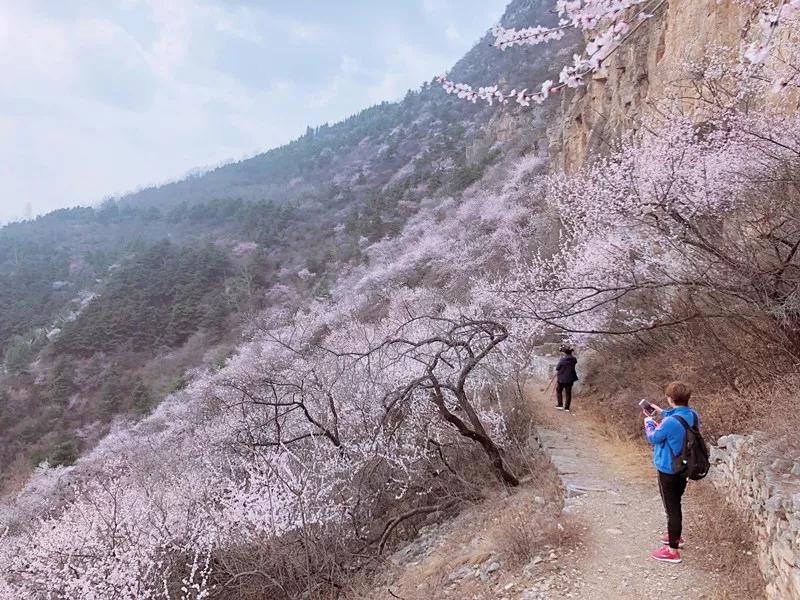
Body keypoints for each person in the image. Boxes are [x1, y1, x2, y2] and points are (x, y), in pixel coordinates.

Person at [643, 381, 700, 564]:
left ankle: (673, 550)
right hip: (684, 466)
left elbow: (653, 438)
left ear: (671, 398)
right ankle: (674, 535)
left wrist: (649, 423)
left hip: (668, 468)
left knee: (672, 508)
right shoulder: (692, 415)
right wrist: (661, 412)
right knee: (676, 501)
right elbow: (678, 418)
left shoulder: (668, 423)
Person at [554, 344, 578, 411]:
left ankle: (560, 404)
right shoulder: (574, 359)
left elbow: (557, 368)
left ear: (564, 352)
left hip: (562, 379)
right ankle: (567, 407)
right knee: (568, 393)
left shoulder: (562, 360)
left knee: (559, 390)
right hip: (570, 378)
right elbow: (574, 362)